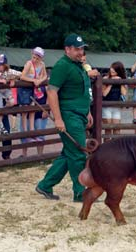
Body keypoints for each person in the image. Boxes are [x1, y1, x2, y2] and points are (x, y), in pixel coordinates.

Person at [36, 33, 93, 201]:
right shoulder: (62, 65)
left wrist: (87, 111)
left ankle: (45, 185)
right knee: (78, 154)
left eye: (82, 48)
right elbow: (52, 91)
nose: (80, 52)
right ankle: (80, 192)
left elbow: (82, 91)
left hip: (79, 114)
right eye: (77, 49)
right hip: (69, 115)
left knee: (69, 153)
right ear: (67, 49)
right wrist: (58, 118)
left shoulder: (78, 65)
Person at [0, 54, 21, 135]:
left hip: (6, 90)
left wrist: (13, 79)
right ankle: (1, 126)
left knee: (12, 102)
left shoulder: (9, 71)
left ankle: (3, 109)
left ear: (4, 65)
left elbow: (21, 74)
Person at [20, 47, 48, 143]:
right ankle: (25, 134)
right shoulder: (29, 64)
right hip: (26, 90)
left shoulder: (42, 64)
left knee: (32, 112)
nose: (35, 59)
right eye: (34, 57)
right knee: (25, 112)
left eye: (37, 58)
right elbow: (22, 76)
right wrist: (33, 80)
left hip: (34, 91)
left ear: (41, 58)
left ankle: (32, 134)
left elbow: (45, 75)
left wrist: (40, 80)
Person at [102, 61, 127, 141]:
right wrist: (111, 82)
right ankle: (106, 148)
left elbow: (124, 93)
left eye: (114, 69)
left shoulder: (121, 79)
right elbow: (104, 94)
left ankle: (116, 148)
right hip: (106, 107)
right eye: (112, 68)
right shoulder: (105, 78)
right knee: (108, 129)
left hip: (117, 107)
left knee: (117, 129)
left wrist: (120, 82)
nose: (112, 70)